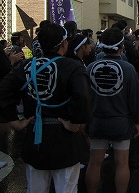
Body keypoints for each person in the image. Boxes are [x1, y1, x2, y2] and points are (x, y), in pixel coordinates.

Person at [0, 23, 91, 193]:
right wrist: (75, 123)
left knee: (36, 189)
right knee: (66, 189)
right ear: (64, 43)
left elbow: (4, 90)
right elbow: (83, 96)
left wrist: (15, 121)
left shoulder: (25, 66)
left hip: (35, 138)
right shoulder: (72, 67)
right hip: (65, 140)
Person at [85, 28, 139, 193]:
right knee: (122, 162)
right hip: (120, 122)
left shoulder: (90, 67)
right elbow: (135, 98)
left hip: (96, 121)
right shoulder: (128, 69)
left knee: (95, 161)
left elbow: (85, 97)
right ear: (121, 46)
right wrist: (138, 121)